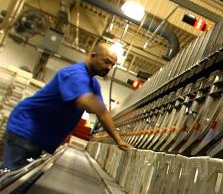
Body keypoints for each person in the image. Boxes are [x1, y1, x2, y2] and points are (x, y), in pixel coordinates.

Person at [2, 40, 129, 170]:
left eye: (112, 65)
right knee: (12, 181)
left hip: (40, 136)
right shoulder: (75, 74)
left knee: (21, 179)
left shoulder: (93, 83)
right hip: (26, 129)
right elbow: (86, 101)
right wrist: (123, 111)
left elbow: (102, 114)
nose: (109, 68)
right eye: (106, 61)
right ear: (93, 56)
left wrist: (119, 140)